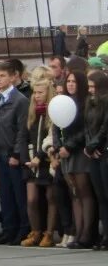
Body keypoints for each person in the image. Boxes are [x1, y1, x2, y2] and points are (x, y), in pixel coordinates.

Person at [0, 60, 31, 245]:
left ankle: (23, 229)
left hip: (12, 154)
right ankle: (9, 229)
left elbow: (22, 130)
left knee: (18, 194)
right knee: (5, 194)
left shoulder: (20, 100)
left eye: (2, 76)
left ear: (12, 77)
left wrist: (16, 154)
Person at [55, 70, 95, 248]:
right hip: (65, 154)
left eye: (74, 82)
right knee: (74, 195)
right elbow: (56, 126)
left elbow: (86, 130)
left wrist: (69, 146)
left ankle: (87, 234)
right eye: (68, 81)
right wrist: (58, 147)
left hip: (79, 152)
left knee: (84, 193)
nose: (70, 84)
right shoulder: (62, 102)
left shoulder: (85, 104)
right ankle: (78, 233)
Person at [20, 79, 56, 247]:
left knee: (51, 197)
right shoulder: (31, 113)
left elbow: (51, 138)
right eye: (35, 93)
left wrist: (40, 157)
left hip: (46, 160)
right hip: (31, 160)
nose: (36, 96)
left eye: (40, 93)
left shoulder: (53, 112)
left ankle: (49, 233)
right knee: (32, 199)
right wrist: (25, 158)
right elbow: (24, 136)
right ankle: (35, 231)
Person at [85, 70, 108, 250]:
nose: (90, 90)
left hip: (103, 151)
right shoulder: (89, 102)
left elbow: (104, 128)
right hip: (93, 153)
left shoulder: (106, 102)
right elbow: (87, 126)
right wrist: (89, 147)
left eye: (93, 86)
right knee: (100, 196)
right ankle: (104, 234)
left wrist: (94, 146)